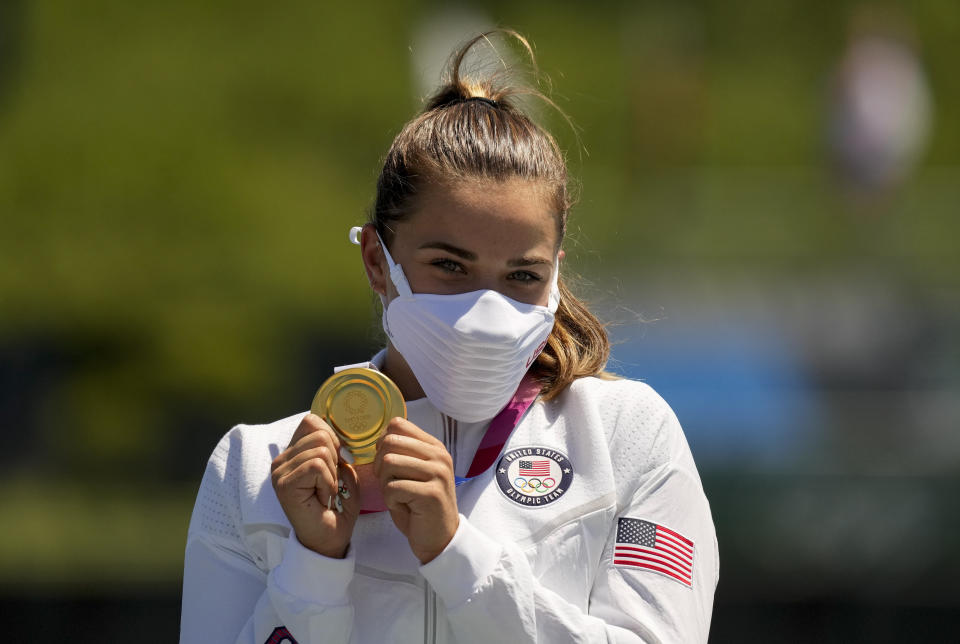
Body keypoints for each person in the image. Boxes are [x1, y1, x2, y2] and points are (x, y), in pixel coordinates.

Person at [180, 30, 718, 644]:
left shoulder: (628, 435)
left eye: (522, 275)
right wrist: (314, 569)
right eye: (450, 267)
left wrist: (459, 555)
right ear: (378, 263)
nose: (486, 309)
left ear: (555, 275)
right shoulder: (254, 471)